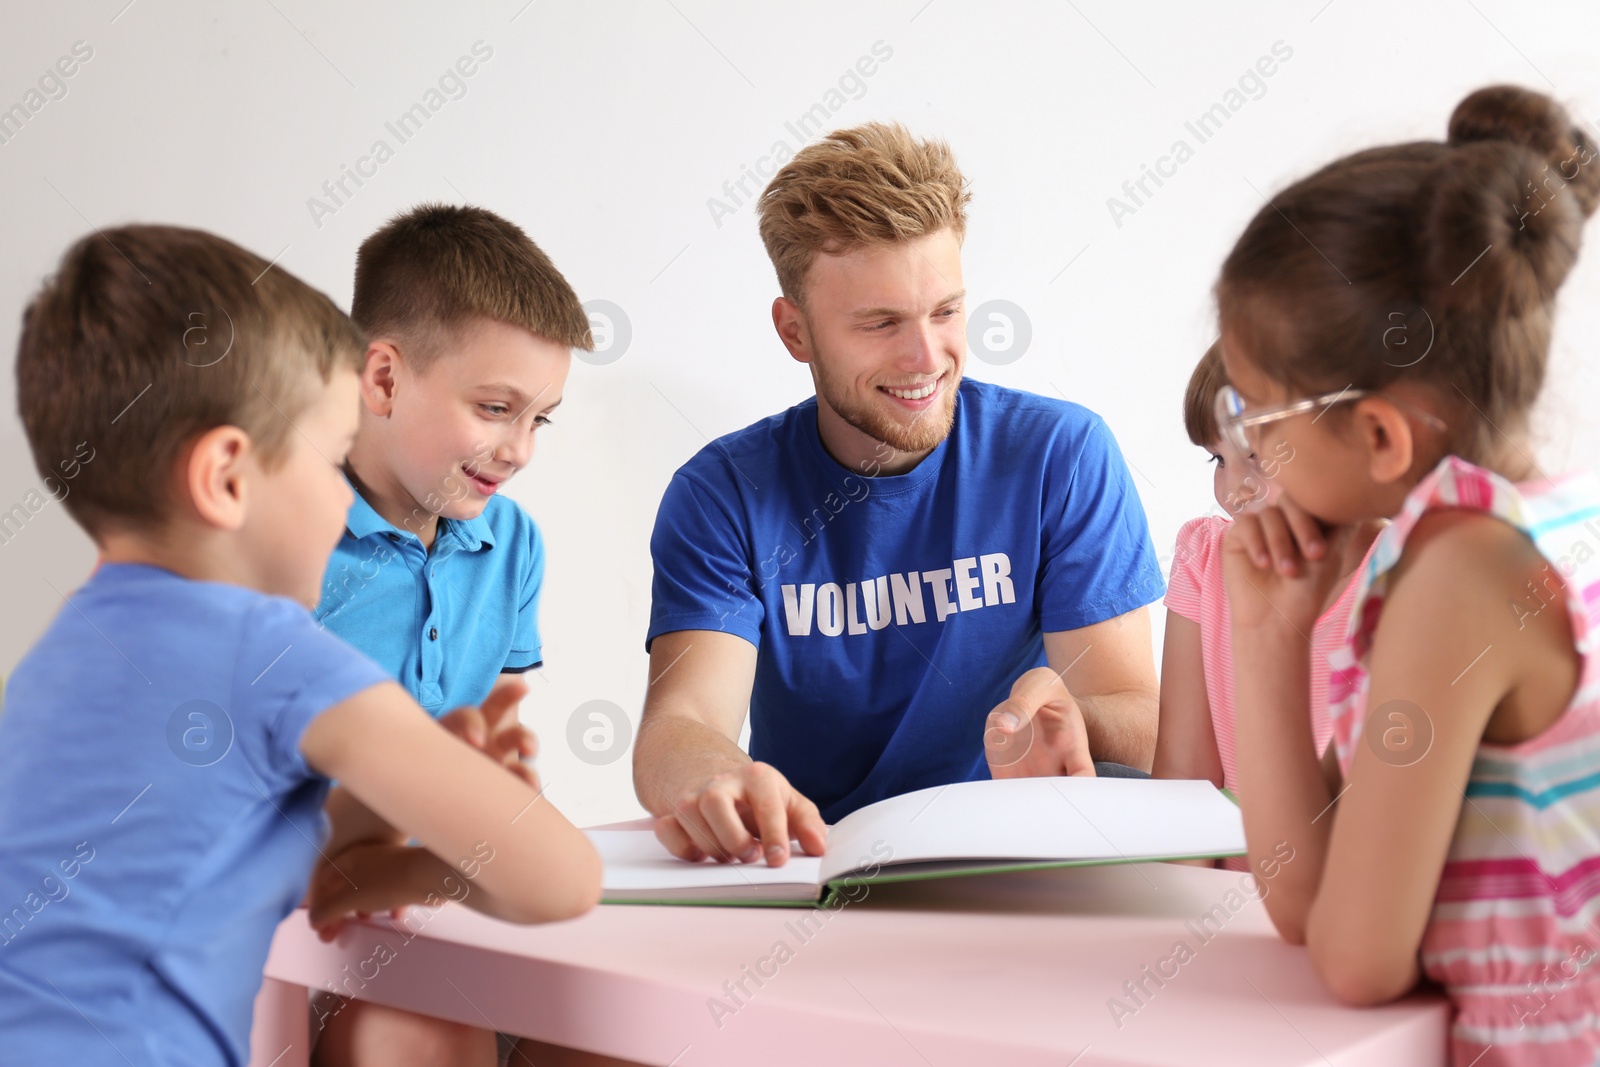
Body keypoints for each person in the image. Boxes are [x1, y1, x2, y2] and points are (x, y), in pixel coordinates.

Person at [0, 224, 600, 1066]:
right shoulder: (271, 648)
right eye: (328, 459)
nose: (342, 493)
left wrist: (392, 836)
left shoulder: (50, 663)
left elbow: (225, 838)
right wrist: (427, 862)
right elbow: (562, 879)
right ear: (226, 477)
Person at [635, 122, 1166, 868]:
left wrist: (1076, 715)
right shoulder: (722, 494)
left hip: (1021, 866)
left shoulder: (1059, 455)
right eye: (880, 323)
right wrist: (717, 776)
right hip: (810, 867)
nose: (926, 358)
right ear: (796, 332)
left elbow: (1145, 719)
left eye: (945, 311)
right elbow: (679, 724)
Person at [1215, 85, 1600, 1066]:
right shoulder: (1542, 523)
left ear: (1378, 433)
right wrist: (1265, 636)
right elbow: (1312, 893)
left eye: (1255, 414)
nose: (1245, 448)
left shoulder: (1464, 573)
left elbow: (1354, 959)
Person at [307, 204, 605, 1066]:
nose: (517, 450)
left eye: (539, 418)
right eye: (495, 407)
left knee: (620, 1025)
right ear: (385, 378)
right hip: (317, 911)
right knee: (419, 1030)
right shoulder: (289, 539)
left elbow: (501, 748)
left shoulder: (511, 544)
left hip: (456, 893)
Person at [1153, 342, 1378, 873]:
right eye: (1218, 460)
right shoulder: (1205, 556)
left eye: (1257, 457)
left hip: (1338, 894)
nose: (1234, 491)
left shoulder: (1400, 576)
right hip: (1221, 902)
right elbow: (1184, 784)